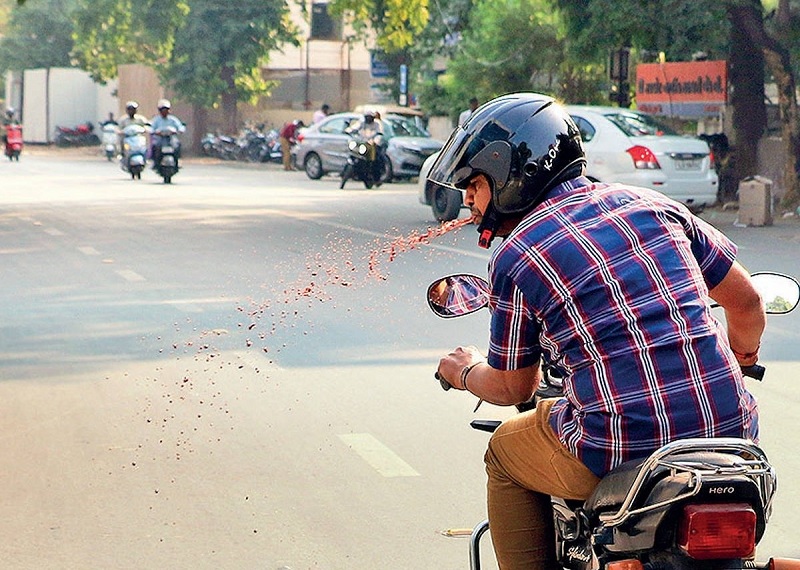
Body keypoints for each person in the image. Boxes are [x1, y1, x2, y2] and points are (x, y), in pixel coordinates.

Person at [427, 92, 766, 570]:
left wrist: (462, 371)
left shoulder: (518, 254)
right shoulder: (654, 205)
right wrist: (743, 361)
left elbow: (510, 386)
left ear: (512, 175)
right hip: (734, 437)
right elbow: (748, 303)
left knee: (502, 453)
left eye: (474, 185)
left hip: (616, 447)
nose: (467, 200)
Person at [149, 99, 185, 168]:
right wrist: (155, 132)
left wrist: (179, 130)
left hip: (171, 139)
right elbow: (151, 128)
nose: (164, 111)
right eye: (162, 110)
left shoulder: (173, 119)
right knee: (155, 146)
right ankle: (155, 163)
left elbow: (180, 126)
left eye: (166, 109)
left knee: (177, 146)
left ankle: (177, 161)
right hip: (160, 139)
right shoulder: (156, 120)